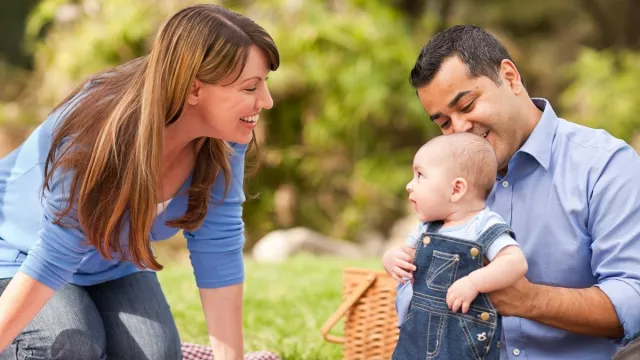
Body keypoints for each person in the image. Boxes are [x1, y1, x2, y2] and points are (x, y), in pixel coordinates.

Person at [0, 4, 279, 360]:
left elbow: (218, 249)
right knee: (70, 345)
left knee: (157, 354)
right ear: (194, 89)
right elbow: (53, 258)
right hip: (14, 253)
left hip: (112, 262)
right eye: (250, 87)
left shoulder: (226, 139)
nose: (266, 102)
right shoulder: (100, 133)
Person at [406, 24, 640, 359]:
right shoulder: (447, 183)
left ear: (510, 77)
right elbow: (407, 296)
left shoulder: (604, 165)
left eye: (468, 105)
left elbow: (633, 297)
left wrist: (527, 299)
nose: (460, 130)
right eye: (444, 123)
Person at [382, 133, 528, 359]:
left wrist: (474, 282)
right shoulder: (427, 228)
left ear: (457, 189)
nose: (409, 185)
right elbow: (405, 256)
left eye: (420, 175)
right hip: (417, 336)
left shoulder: (484, 225)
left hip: (464, 341)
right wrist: (391, 259)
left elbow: (515, 263)